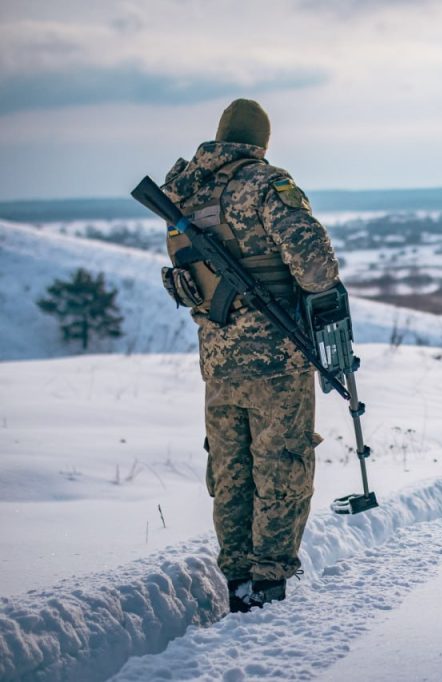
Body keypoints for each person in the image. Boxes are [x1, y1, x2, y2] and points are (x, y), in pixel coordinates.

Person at [160, 99, 340, 612]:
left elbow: (186, 277)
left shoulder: (185, 194)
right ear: (260, 141)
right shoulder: (265, 184)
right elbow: (318, 268)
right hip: (276, 359)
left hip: (217, 360)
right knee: (281, 464)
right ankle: (268, 583)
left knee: (231, 469)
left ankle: (236, 577)